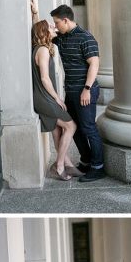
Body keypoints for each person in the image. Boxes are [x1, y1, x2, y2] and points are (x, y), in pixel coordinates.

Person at [30, 0, 106, 182]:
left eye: (57, 23)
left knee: (89, 128)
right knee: (77, 128)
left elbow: (94, 64)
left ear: (66, 20)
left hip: (85, 91)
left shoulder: (85, 37)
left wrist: (87, 88)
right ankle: (86, 161)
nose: (55, 27)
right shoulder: (61, 38)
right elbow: (42, 32)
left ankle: (98, 167)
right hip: (70, 92)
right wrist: (35, 13)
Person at [31, 19, 81, 180]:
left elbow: (37, 25)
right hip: (45, 98)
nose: (54, 28)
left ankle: (68, 164)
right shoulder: (43, 51)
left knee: (57, 130)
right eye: (51, 27)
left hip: (43, 97)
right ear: (44, 32)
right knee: (71, 126)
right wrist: (57, 98)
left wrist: (35, 12)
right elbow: (45, 78)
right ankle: (59, 165)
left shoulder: (41, 48)